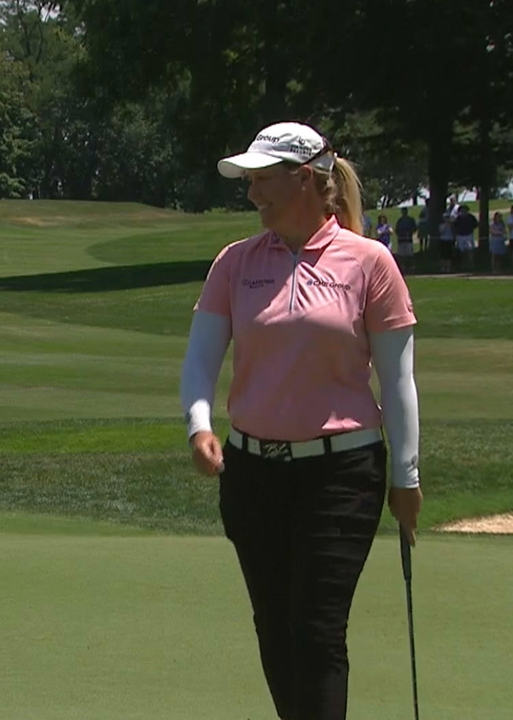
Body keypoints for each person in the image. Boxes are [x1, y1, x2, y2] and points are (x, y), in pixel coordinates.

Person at [182, 121, 422, 720]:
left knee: (315, 631)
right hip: (252, 475)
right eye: (251, 181)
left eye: (265, 180)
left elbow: (396, 379)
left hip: (342, 474)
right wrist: (199, 424)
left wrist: (407, 476)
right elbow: (200, 358)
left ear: (308, 180)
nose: (254, 194)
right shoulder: (235, 264)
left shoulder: (370, 263)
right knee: (275, 630)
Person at [452, 205, 478, 272]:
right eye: (462, 210)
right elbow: (454, 226)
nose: (463, 212)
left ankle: (471, 265)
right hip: (460, 236)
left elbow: (475, 225)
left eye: (464, 210)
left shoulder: (471, 217)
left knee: (470, 250)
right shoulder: (458, 219)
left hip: (468, 235)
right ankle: (463, 265)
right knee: (462, 251)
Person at [394, 207, 417, 273]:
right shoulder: (400, 220)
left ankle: (412, 267)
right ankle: (403, 267)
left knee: (409, 255)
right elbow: (397, 230)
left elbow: (414, 228)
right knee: (402, 255)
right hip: (401, 240)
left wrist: (409, 233)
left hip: (408, 239)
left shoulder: (410, 220)